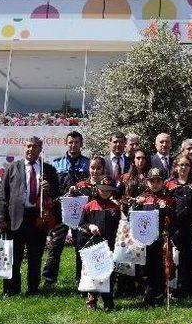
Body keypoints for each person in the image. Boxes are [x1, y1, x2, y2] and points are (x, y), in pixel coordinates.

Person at [0, 137, 60, 296]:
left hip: (37, 218)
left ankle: (33, 289)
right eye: (28, 146)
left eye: (35, 147)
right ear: (23, 148)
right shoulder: (11, 168)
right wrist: (1, 219)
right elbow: (3, 195)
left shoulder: (49, 170)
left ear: (41, 149)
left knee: (35, 256)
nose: (31, 149)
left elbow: (56, 197)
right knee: (13, 257)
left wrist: (49, 188)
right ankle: (11, 290)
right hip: (15, 218)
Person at [43, 130, 90, 286]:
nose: (73, 145)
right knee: (56, 245)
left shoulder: (88, 164)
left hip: (81, 212)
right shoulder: (57, 163)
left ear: (81, 144)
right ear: (66, 143)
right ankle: (49, 279)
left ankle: (81, 278)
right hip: (60, 211)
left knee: (81, 245)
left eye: (76, 142)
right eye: (70, 142)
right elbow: (52, 189)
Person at [131, 168, 176, 306]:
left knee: (160, 267)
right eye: (152, 181)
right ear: (147, 182)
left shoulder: (168, 200)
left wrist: (170, 233)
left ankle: (159, 295)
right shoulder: (143, 199)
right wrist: (135, 205)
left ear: (163, 182)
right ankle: (147, 293)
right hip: (144, 240)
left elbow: (173, 220)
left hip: (161, 240)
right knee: (146, 268)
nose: (155, 184)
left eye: (158, 181)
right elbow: (132, 218)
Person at [77, 176, 121, 311]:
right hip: (94, 247)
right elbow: (81, 225)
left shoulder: (115, 207)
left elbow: (120, 226)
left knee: (108, 273)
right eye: (103, 189)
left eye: (108, 190)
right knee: (93, 273)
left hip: (109, 246)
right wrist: (90, 226)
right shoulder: (89, 206)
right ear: (97, 189)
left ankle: (108, 302)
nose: (105, 192)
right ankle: (92, 300)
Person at [165, 154, 192, 294]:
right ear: (175, 166)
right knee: (175, 256)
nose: (184, 167)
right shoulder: (169, 185)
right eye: (181, 164)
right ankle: (175, 288)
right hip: (175, 227)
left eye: (187, 165)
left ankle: (190, 287)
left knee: (190, 256)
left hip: (191, 226)